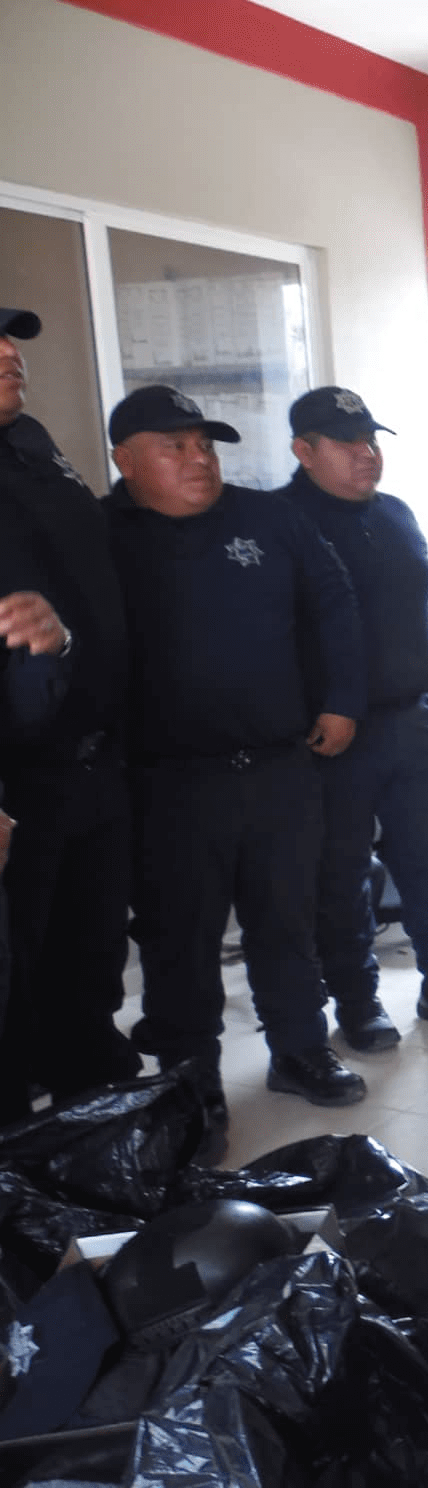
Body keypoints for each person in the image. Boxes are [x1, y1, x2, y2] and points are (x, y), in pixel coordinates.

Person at [103, 383, 371, 1130]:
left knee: (286, 922)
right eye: (174, 448)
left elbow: (335, 605)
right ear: (126, 460)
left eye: (205, 446)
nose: (199, 460)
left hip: (280, 766)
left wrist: (342, 699)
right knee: (179, 941)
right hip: (170, 783)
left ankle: (300, 1050)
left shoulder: (267, 518)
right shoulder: (100, 536)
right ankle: (191, 1081)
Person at [278, 386, 428, 1049]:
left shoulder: (396, 513)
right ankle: (358, 1004)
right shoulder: (281, 524)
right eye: (347, 444)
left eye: (371, 441)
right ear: (304, 451)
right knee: (342, 877)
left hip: (416, 720)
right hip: (336, 734)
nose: (366, 454)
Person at [0, 305, 141, 1122]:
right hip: (17, 779)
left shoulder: (32, 444)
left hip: (91, 754)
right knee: (17, 973)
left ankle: (96, 1123)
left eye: (9, 339)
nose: (9, 353)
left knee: (91, 952)